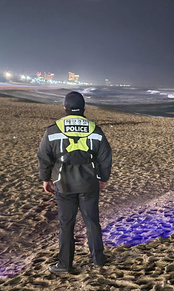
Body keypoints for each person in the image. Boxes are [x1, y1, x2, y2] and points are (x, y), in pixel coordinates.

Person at [37, 91, 112, 272]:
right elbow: (105, 157)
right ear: (84, 109)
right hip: (89, 183)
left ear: (65, 108)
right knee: (92, 222)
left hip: (63, 184)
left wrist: (45, 179)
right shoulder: (95, 129)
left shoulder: (53, 130)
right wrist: (103, 178)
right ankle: (98, 260)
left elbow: (44, 157)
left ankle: (64, 264)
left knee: (66, 225)